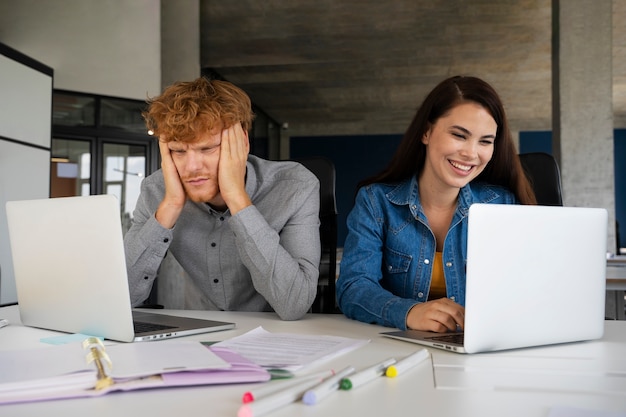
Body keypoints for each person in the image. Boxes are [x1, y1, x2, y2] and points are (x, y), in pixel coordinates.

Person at [336, 75, 536, 332]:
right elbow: (353, 288)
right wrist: (409, 312)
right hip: (397, 348)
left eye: (485, 141)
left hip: (479, 350)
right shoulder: (376, 202)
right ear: (426, 132)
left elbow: (526, 291)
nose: (471, 153)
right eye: (459, 135)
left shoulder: (502, 205)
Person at [124, 77, 321, 320]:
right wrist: (171, 206)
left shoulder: (295, 187)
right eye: (178, 151)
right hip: (195, 339)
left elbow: (295, 305)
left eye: (207, 148)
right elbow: (120, 299)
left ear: (243, 141)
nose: (192, 166)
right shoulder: (155, 191)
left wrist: (237, 198)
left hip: (279, 338)